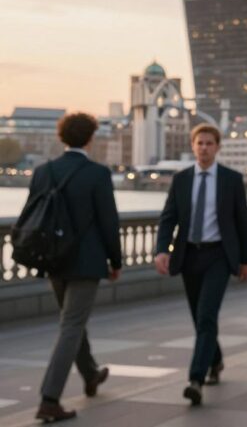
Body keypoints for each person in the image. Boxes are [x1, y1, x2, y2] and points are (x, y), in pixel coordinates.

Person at [24, 113, 122, 423]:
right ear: (91, 138)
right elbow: (109, 222)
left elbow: (30, 216)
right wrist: (115, 261)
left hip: (52, 259)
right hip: (86, 262)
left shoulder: (43, 172)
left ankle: (90, 373)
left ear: (62, 137)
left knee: (72, 321)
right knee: (71, 325)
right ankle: (49, 399)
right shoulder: (97, 174)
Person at [155, 124, 247, 406]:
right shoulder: (182, 179)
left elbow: (241, 222)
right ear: (193, 146)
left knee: (207, 314)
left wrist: (246, 259)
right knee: (200, 318)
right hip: (188, 256)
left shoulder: (231, 180)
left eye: (210, 143)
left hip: (218, 256)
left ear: (218, 147)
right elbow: (168, 217)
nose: (205, 148)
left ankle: (196, 379)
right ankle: (217, 359)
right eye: (200, 143)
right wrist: (162, 250)